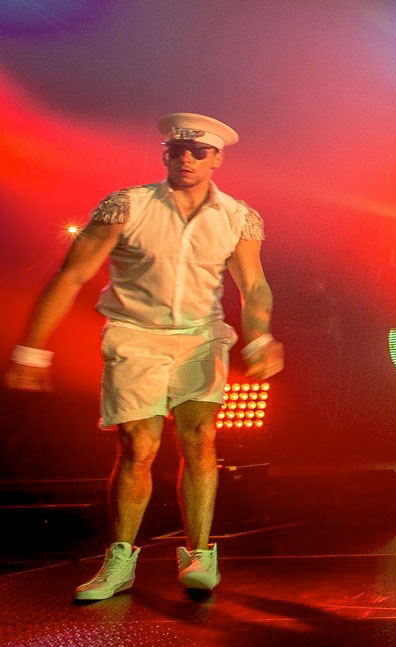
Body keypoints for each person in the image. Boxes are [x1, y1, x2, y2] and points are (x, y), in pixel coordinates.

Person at [6, 113, 283, 600]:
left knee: (200, 440)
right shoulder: (126, 206)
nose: (187, 159)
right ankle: (120, 560)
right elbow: (71, 275)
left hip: (200, 337)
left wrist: (259, 337)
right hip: (135, 336)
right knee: (138, 446)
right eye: (177, 150)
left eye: (199, 152)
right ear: (165, 155)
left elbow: (254, 285)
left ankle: (199, 555)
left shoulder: (239, 217)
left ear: (217, 159)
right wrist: (32, 350)